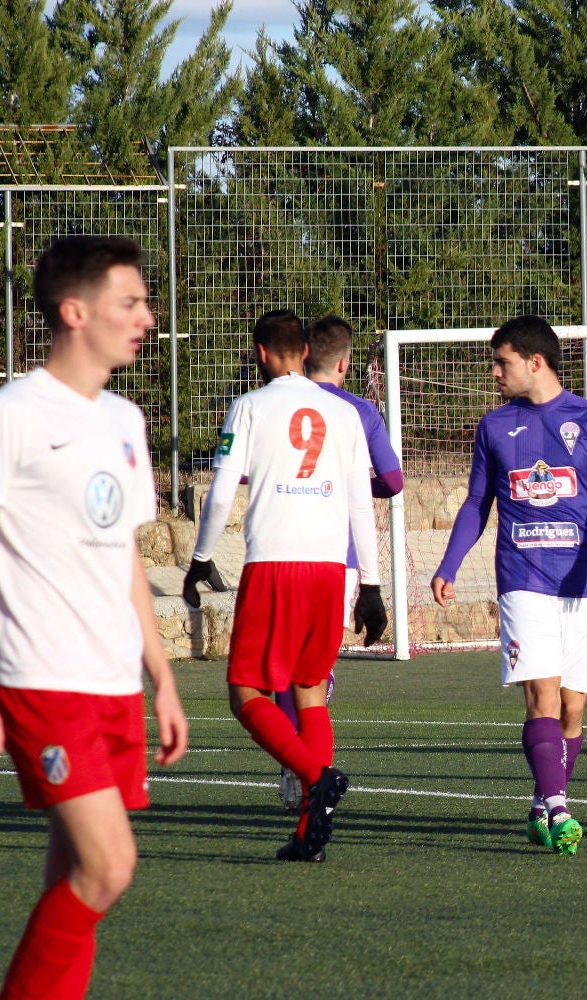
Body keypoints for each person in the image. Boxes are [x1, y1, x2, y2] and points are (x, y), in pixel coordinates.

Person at [0, 235, 188, 998]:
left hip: (112, 680)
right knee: (110, 866)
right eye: (130, 302)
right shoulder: (11, 415)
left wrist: (161, 677)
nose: (147, 316)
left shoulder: (124, 419)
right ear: (75, 311)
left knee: (75, 875)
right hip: (43, 674)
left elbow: (125, 558)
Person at [430, 315, 587, 856]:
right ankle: (559, 807)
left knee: (572, 708)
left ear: (535, 362)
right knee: (541, 696)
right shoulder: (494, 427)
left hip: (581, 580)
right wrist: (449, 564)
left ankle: (542, 799)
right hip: (522, 578)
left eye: (501, 362)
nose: (494, 372)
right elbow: (478, 503)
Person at [182, 309, 386, 863]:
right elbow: (360, 505)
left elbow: (222, 492)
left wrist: (200, 558)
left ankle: (317, 776)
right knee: (310, 692)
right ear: (304, 349)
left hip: (274, 564)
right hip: (328, 571)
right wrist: (371, 584)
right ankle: (306, 837)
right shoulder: (344, 413)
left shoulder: (248, 406)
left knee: (245, 691)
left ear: (261, 352)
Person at [271, 315, 405, 810]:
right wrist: (348, 485)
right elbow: (392, 481)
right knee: (315, 668)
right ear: (346, 361)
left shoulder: (275, 401)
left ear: (303, 353)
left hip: (278, 551)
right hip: (338, 559)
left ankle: (292, 762)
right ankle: (308, 767)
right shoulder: (359, 411)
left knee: (279, 667)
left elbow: (243, 473)